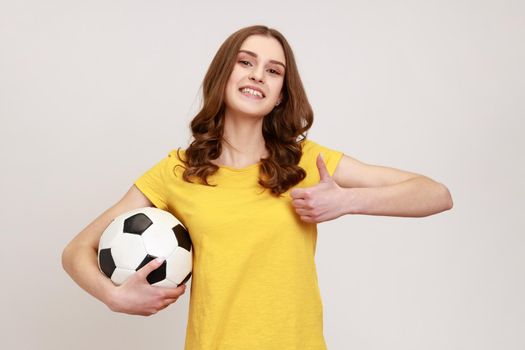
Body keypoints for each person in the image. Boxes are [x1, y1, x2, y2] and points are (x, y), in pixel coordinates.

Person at [62, 24, 453, 349]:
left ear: (282, 93)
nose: (256, 75)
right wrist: (113, 296)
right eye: (246, 62)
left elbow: (436, 194)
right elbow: (77, 250)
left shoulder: (306, 162)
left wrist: (348, 201)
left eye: (273, 70)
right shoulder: (178, 172)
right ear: (223, 75)